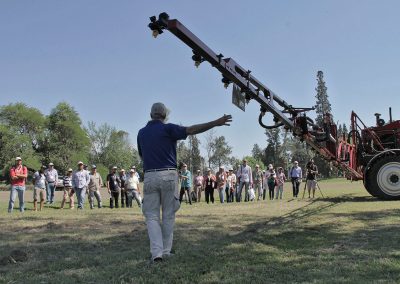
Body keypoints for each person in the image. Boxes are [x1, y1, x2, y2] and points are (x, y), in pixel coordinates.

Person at [137, 102, 231, 262]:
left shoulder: (141, 133)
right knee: (168, 215)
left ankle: (157, 254)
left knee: (151, 216)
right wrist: (216, 122)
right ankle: (166, 251)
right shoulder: (168, 129)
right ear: (165, 115)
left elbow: (142, 155)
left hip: (150, 175)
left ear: (150, 114)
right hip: (169, 174)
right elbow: (192, 129)